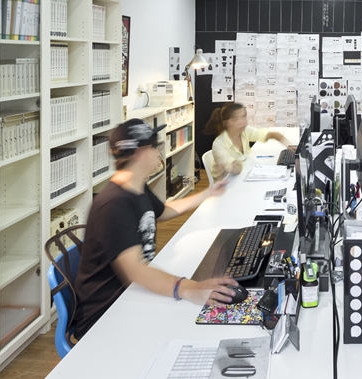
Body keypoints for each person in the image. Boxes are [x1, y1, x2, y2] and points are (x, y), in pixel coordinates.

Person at [73, 119, 238, 339]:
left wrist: (208, 193)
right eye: (155, 146)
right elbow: (135, 270)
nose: (159, 151)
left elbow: (164, 211)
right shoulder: (113, 205)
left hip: (135, 293)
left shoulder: (136, 186)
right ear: (140, 153)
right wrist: (188, 288)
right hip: (108, 313)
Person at [203, 103, 295, 180]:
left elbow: (268, 134)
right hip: (226, 186)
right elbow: (234, 169)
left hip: (242, 177)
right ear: (227, 122)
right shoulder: (219, 145)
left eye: (244, 116)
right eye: (237, 119)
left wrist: (288, 145)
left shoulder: (244, 131)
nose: (243, 121)